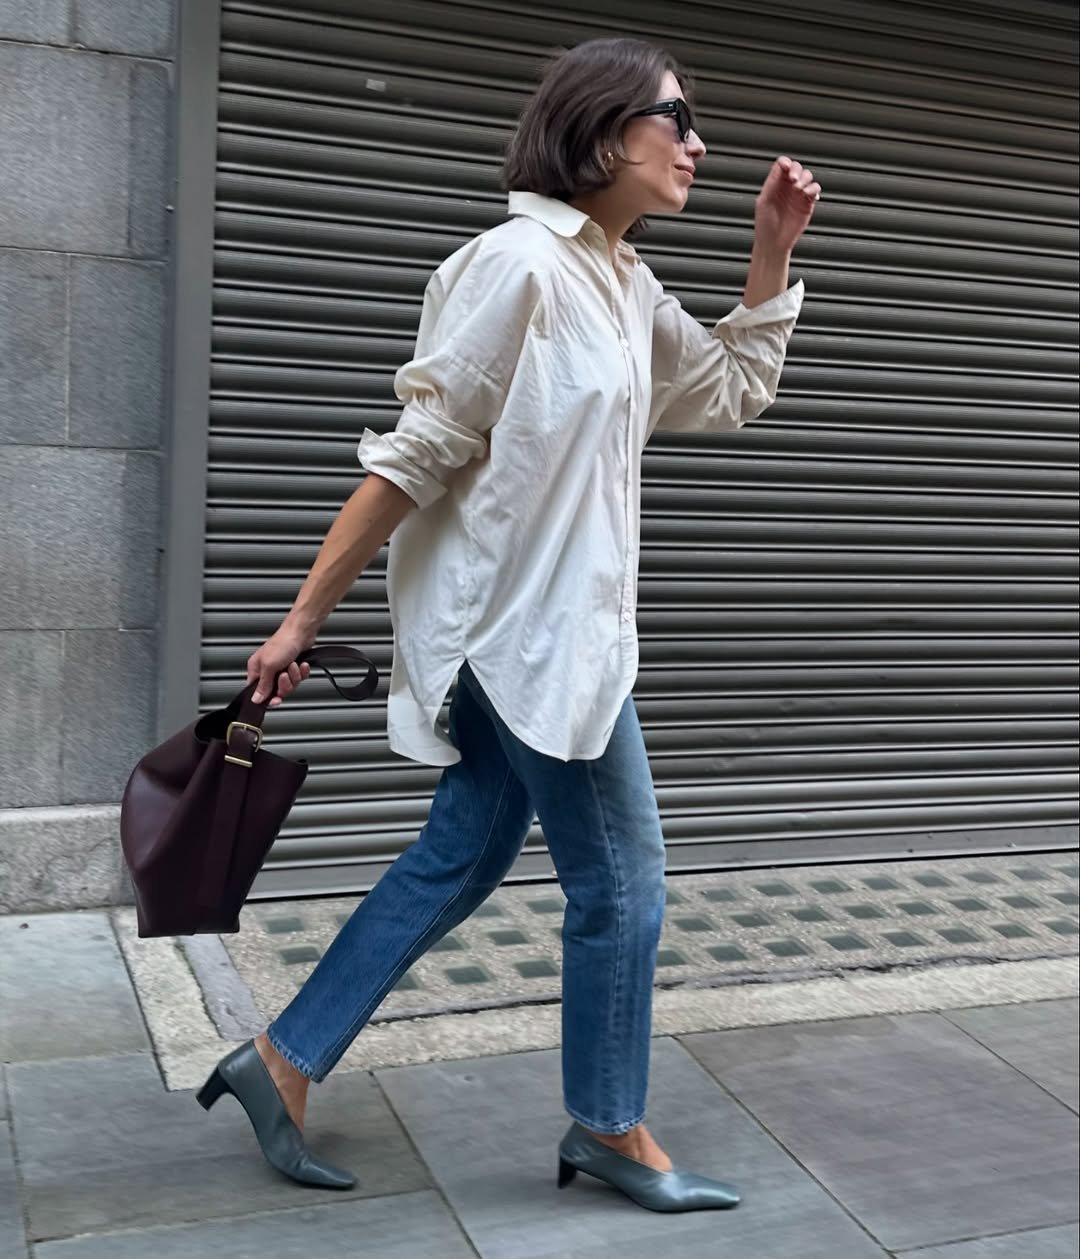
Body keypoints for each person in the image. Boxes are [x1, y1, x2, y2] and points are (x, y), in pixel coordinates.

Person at [196, 36, 820, 1213]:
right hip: (521, 642)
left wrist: (771, 251)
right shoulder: (515, 266)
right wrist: (296, 620)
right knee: (624, 880)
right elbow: (414, 454)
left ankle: (278, 1062)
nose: (698, 142)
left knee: (460, 857)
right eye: (675, 117)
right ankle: (609, 1125)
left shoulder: (621, 284)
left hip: (554, 641)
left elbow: (731, 388)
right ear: (598, 132)